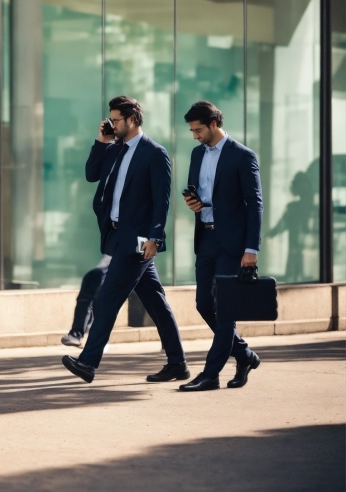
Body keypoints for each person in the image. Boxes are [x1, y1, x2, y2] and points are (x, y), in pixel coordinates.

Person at [62, 96, 188, 384]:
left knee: (107, 298)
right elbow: (91, 174)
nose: (112, 124)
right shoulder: (114, 148)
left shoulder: (155, 153)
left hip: (139, 240)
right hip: (116, 235)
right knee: (156, 303)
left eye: (116, 120)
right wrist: (101, 141)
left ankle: (88, 363)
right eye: (111, 119)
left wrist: (155, 238)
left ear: (132, 119)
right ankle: (178, 363)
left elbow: (162, 202)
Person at [179, 100, 263, 392]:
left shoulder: (242, 156)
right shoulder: (196, 154)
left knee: (225, 309)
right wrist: (194, 204)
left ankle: (210, 374)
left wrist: (251, 249)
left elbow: (255, 205)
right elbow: (198, 192)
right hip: (206, 237)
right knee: (204, 304)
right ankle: (244, 355)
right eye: (192, 130)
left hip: (233, 244)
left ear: (214, 124)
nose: (195, 135)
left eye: (198, 129)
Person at [61, 254, 112, 347]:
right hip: (106, 270)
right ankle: (77, 334)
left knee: (101, 298)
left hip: (131, 270)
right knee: (92, 279)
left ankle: (98, 340)